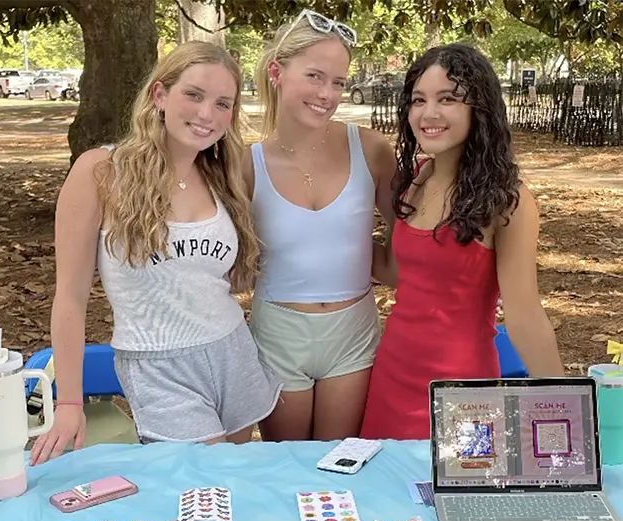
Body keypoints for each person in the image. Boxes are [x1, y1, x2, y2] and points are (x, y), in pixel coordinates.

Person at [30, 42, 282, 465]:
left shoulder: (222, 173)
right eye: (194, 95)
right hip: (157, 367)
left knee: (228, 487)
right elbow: (70, 298)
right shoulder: (100, 172)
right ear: (160, 95)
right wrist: (70, 403)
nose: (206, 114)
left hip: (232, 353)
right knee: (207, 476)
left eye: (223, 104)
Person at [362, 43, 564, 441]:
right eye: (419, 100)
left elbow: (524, 316)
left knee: (457, 501)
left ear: (479, 108)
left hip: (462, 392)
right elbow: (401, 274)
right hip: (391, 376)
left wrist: (563, 406)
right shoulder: (413, 181)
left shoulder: (507, 201)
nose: (428, 113)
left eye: (448, 99)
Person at [242, 10, 396, 442]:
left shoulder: (371, 149)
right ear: (277, 72)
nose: (327, 94)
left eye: (339, 82)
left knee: (339, 461)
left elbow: (403, 252)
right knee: (289, 465)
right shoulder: (246, 163)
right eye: (315, 76)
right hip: (279, 332)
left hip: (352, 332)